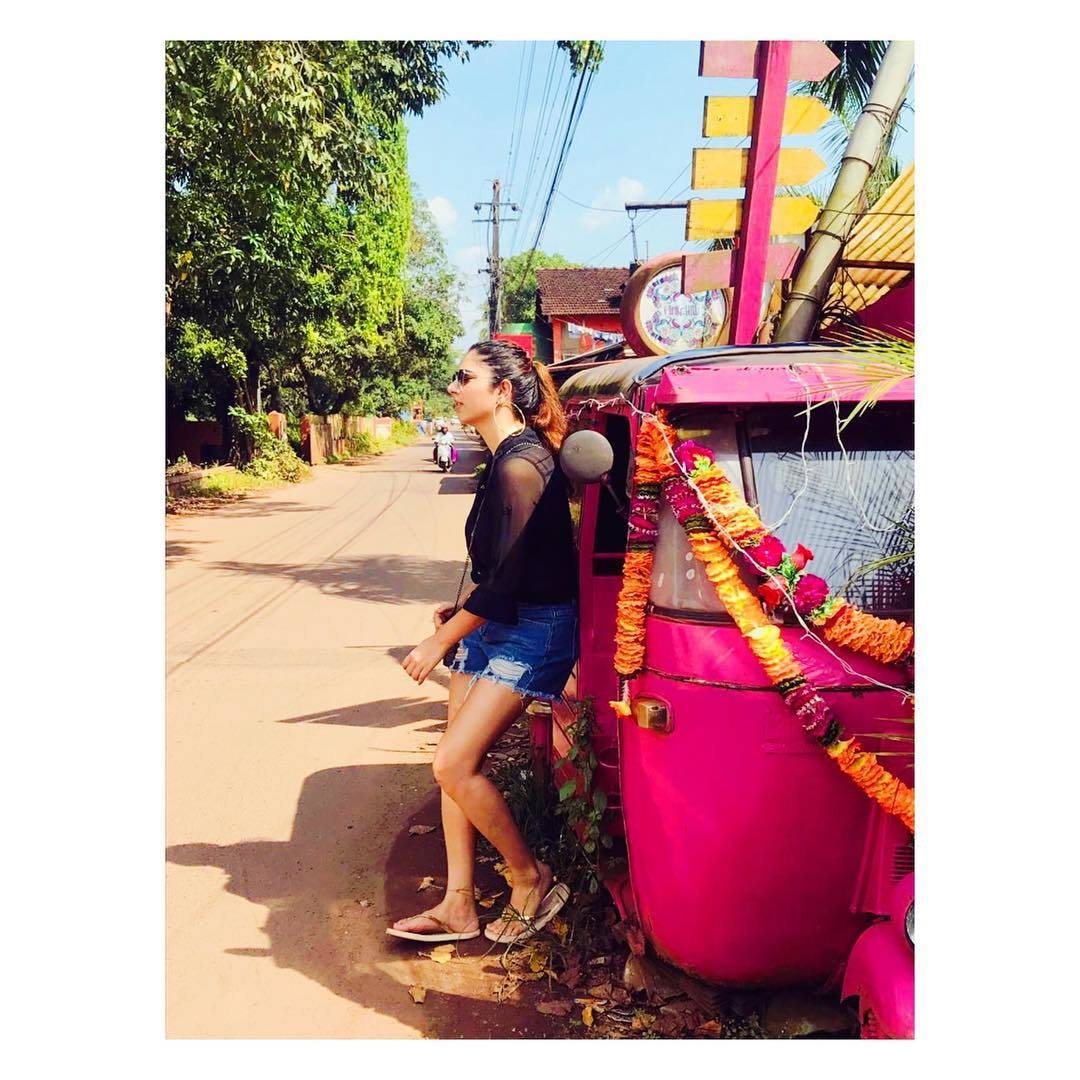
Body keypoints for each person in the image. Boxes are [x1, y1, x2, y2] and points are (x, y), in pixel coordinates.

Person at [388, 340, 578, 945]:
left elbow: (509, 581)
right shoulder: (502, 460)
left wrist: (440, 640)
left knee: (451, 762)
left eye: (463, 377)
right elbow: (500, 567)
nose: (452, 387)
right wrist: (464, 612)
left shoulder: (521, 465)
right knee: (456, 766)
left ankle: (529, 876)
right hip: (498, 619)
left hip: (535, 629)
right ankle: (458, 903)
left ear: (501, 391)